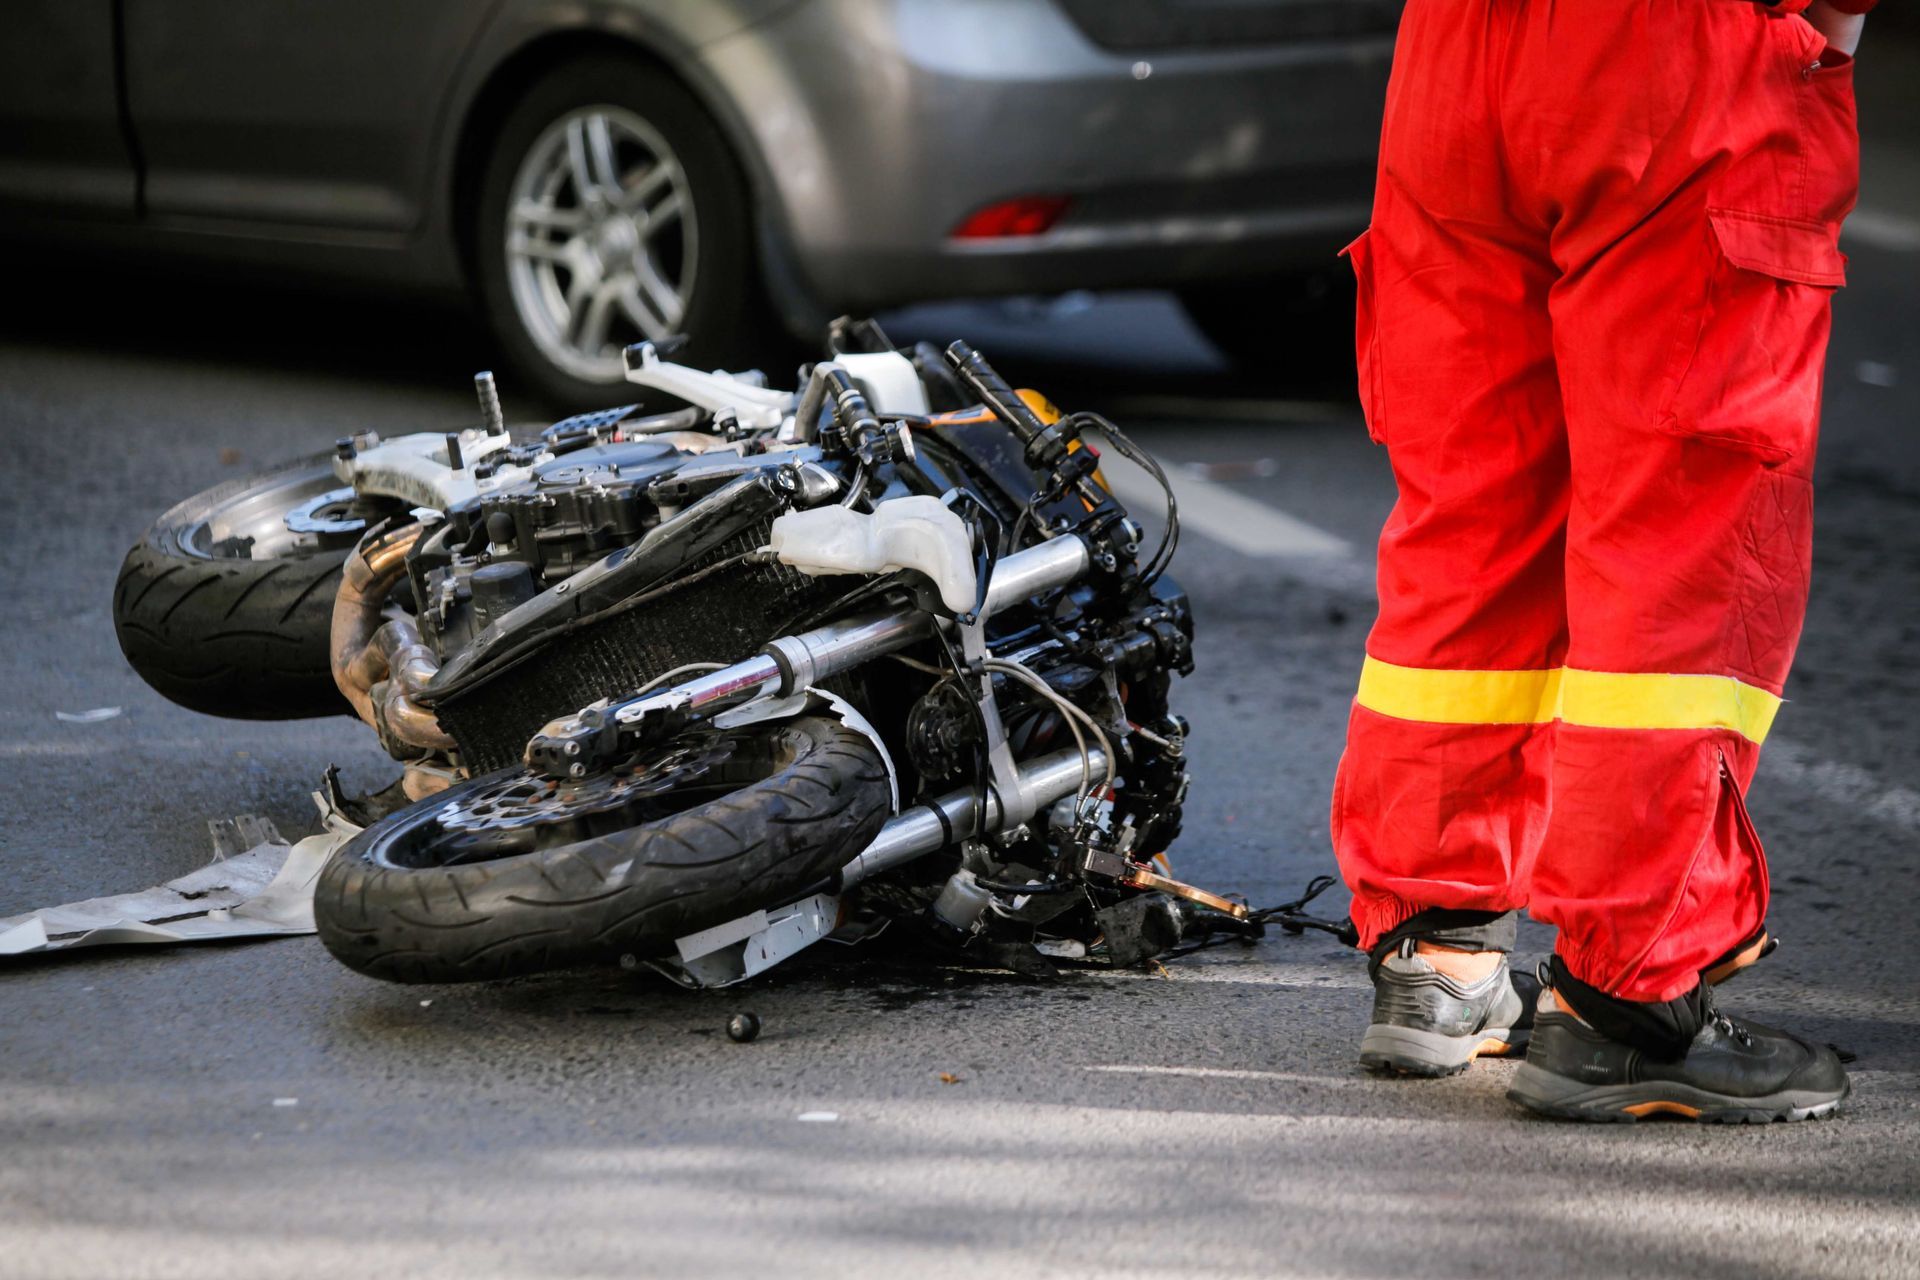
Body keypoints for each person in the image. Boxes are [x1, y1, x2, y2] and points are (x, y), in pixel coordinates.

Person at [1332, 0, 1872, 1122]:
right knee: (1682, 529)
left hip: (1460, 56)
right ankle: (1632, 999)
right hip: (1685, 60)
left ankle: (1442, 954)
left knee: (1475, 505)